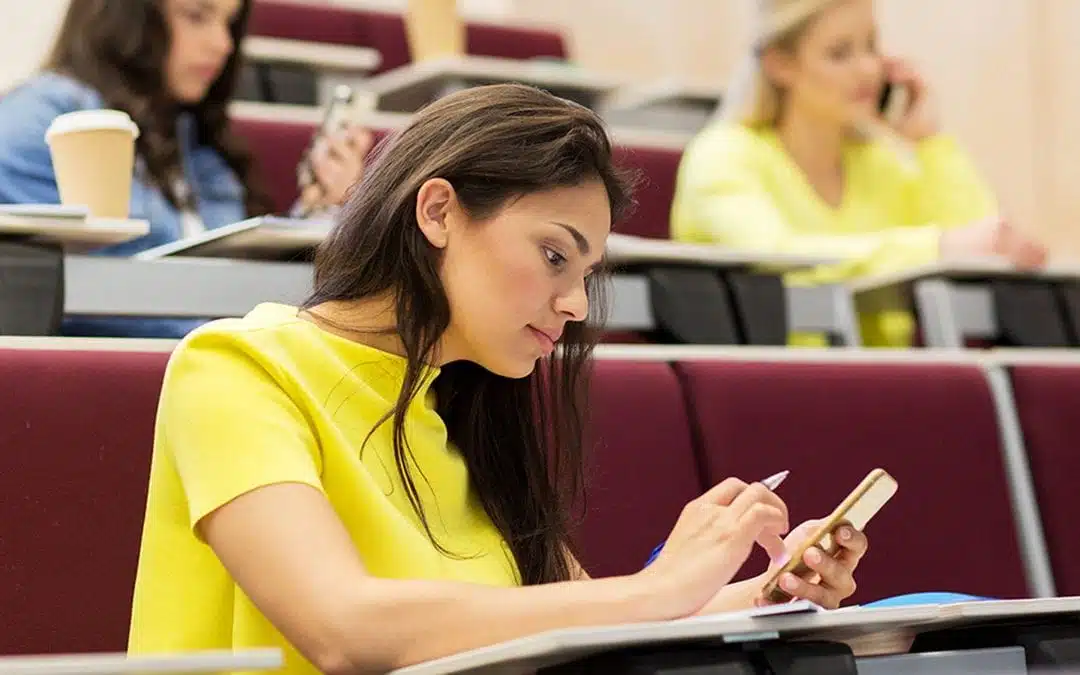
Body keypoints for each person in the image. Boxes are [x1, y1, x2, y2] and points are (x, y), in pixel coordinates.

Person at [128, 84, 870, 675]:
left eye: (586, 274)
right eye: (555, 256)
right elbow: (343, 629)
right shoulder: (233, 368)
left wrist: (772, 594)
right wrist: (659, 587)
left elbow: (585, 621)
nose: (577, 304)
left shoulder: (462, 406)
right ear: (439, 210)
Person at [670, 0, 1047, 347]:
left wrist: (930, 142)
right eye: (840, 53)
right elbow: (775, 258)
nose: (868, 68)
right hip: (767, 396)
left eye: (872, 46)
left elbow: (988, 248)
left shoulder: (880, 163)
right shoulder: (721, 157)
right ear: (779, 63)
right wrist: (935, 248)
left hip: (885, 396)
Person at [0, 0, 371, 338]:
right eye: (197, 16)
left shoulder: (190, 131)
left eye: (230, 23)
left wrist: (321, 211)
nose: (222, 43)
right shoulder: (38, 124)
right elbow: (99, 295)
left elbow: (219, 268)